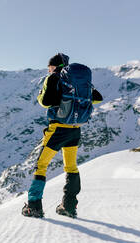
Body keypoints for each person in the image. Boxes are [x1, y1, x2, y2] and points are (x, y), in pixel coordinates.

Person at [22, 53, 103, 218]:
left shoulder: (53, 78)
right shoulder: (77, 82)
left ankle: (34, 206)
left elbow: (45, 101)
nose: (48, 70)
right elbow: (97, 99)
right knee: (71, 167)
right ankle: (69, 206)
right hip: (74, 129)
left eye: (50, 67)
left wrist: (42, 94)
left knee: (41, 166)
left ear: (56, 67)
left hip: (57, 129)